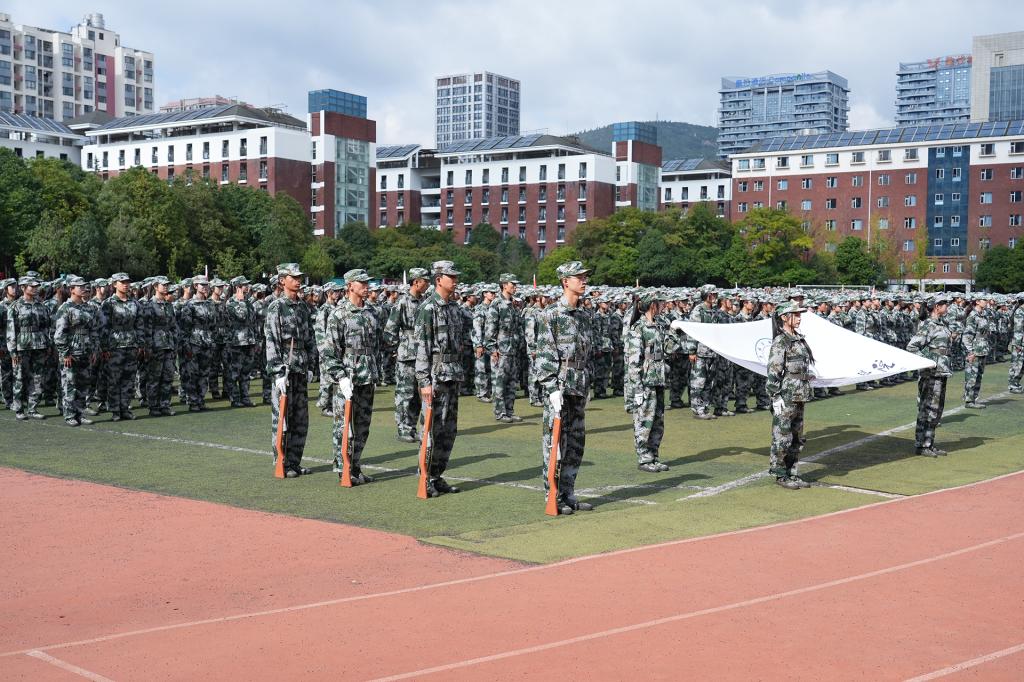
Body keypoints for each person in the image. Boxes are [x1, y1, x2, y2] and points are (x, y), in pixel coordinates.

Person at [535, 261, 595, 515]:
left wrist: (588, 383)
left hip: (578, 384)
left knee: (576, 443)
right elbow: (544, 355)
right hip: (559, 384)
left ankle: (568, 493)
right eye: (579, 277)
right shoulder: (551, 314)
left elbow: (587, 352)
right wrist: (551, 388)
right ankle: (553, 495)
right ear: (565, 281)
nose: (584, 281)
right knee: (555, 442)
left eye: (584, 277)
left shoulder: (584, 315)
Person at [322, 269, 381, 485]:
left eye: (367, 283)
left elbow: (376, 345)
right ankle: (343, 469)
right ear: (350, 286)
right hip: (348, 377)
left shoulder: (372, 312)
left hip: (367, 376)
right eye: (361, 283)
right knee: (343, 426)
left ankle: (355, 466)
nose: (366, 286)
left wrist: (376, 371)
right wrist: (340, 376)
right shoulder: (339, 314)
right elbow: (330, 351)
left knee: (363, 426)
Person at [414, 260, 466, 497]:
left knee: (448, 429)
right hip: (435, 376)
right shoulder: (428, 308)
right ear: (438, 280)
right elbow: (422, 347)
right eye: (450, 277)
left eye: (455, 277)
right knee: (431, 429)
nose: (455, 281)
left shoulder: (454, 308)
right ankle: (425, 477)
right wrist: (424, 381)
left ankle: (436, 475)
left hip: (452, 373)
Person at [265, 263, 316, 478]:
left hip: (300, 367)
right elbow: (272, 340)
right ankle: (281, 462)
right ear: (282, 280)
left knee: (300, 419)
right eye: (293, 277)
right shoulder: (276, 307)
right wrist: (277, 372)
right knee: (282, 417)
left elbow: (310, 338)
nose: (298, 281)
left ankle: (294, 462)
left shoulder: (303, 307)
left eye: (299, 277)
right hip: (284, 368)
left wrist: (311, 365)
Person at [764, 301, 814, 490]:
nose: (799, 318)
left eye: (800, 314)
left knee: (796, 437)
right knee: (782, 436)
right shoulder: (781, 341)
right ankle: (780, 474)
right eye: (795, 314)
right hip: (786, 395)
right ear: (784, 318)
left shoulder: (798, 339)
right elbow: (773, 371)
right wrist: (775, 396)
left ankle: (792, 472)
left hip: (800, 394)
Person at [624, 290, 670, 473]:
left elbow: (670, 348)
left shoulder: (659, 325)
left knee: (657, 421)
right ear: (652, 305)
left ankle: (654, 456)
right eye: (660, 303)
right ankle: (644, 458)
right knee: (644, 420)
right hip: (645, 382)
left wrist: (674, 331)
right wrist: (637, 389)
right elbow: (633, 362)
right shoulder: (638, 328)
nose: (663, 306)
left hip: (658, 379)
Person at [384, 267, 429, 442]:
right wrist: (397, 349)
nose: (427, 284)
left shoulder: (425, 302)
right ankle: (403, 428)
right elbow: (390, 331)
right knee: (405, 393)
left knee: (418, 395)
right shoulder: (402, 303)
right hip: (407, 356)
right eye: (425, 281)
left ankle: (412, 427)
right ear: (416, 282)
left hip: (422, 355)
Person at [907, 294, 952, 457]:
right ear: (936, 307)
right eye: (944, 304)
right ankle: (921, 444)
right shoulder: (928, 325)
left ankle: (929, 443)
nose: (947, 306)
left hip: (941, 371)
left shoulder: (941, 324)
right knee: (927, 409)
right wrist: (928, 361)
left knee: (937, 409)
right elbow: (912, 347)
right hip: (931, 374)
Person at [53, 276, 99, 426]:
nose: (83, 289)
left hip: (86, 351)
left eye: (84, 286)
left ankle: (80, 413)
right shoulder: (65, 308)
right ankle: (69, 415)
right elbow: (59, 334)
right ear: (71, 289)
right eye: (80, 286)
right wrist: (65, 353)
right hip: (71, 352)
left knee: (83, 384)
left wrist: (94, 350)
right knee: (69, 384)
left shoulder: (89, 308)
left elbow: (94, 330)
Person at [6, 274, 51, 420]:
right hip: (22, 347)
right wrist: (13, 351)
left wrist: (48, 344)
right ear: (23, 288)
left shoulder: (41, 306)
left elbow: (46, 326)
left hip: (39, 346)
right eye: (32, 286)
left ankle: (33, 408)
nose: (35, 289)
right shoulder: (15, 306)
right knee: (19, 378)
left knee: (37, 378)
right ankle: (19, 409)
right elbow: (11, 330)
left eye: (36, 286)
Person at [101, 273, 146, 421]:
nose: (126, 285)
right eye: (122, 282)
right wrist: (105, 347)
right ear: (114, 284)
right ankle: (115, 410)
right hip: (115, 346)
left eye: (127, 282)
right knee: (114, 379)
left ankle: (125, 408)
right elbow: (104, 327)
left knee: (129, 379)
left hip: (131, 345)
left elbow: (140, 325)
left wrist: (140, 344)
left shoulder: (135, 304)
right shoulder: (108, 304)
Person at [485, 273, 525, 423]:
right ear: (504, 285)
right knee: (500, 382)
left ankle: (509, 411)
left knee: (512, 383)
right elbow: (490, 329)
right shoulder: (497, 304)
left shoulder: (513, 305)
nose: (515, 287)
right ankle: (500, 412)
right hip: (501, 350)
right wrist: (492, 349)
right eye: (512, 284)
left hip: (512, 349)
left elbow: (518, 326)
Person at [178, 275, 217, 411]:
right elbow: (185, 328)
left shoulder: (210, 304)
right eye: (202, 285)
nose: (205, 287)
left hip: (207, 342)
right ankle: (193, 401)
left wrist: (212, 341)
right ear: (195, 286)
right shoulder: (189, 305)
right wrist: (186, 345)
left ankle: (201, 400)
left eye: (206, 285)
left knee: (204, 373)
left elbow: (213, 325)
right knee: (192, 374)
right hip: (194, 343)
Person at [143, 276, 178, 417]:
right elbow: (147, 329)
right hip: (156, 346)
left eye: (167, 285)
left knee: (168, 377)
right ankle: (153, 406)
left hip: (168, 345)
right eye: (163, 285)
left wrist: (175, 343)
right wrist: (148, 347)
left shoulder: (169, 305)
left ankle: (165, 405)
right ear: (155, 287)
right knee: (154, 378)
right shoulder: (149, 305)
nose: (166, 287)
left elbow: (173, 326)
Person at [961, 295, 991, 409]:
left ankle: (974, 398)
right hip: (974, 350)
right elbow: (967, 336)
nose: (986, 302)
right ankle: (969, 400)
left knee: (979, 375)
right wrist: (970, 352)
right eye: (984, 300)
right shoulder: (973, 316)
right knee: (971, 376)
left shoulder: (984, 314)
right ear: (977, 302)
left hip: (982, 349)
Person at [1009, 293, 1024, 394]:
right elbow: (1018, 329)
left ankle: (1016, 383)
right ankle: (1012, 385)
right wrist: (1018, 344)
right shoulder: (1019, 312)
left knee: (1022, 365)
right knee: (1017, 364)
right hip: (1020, 342)